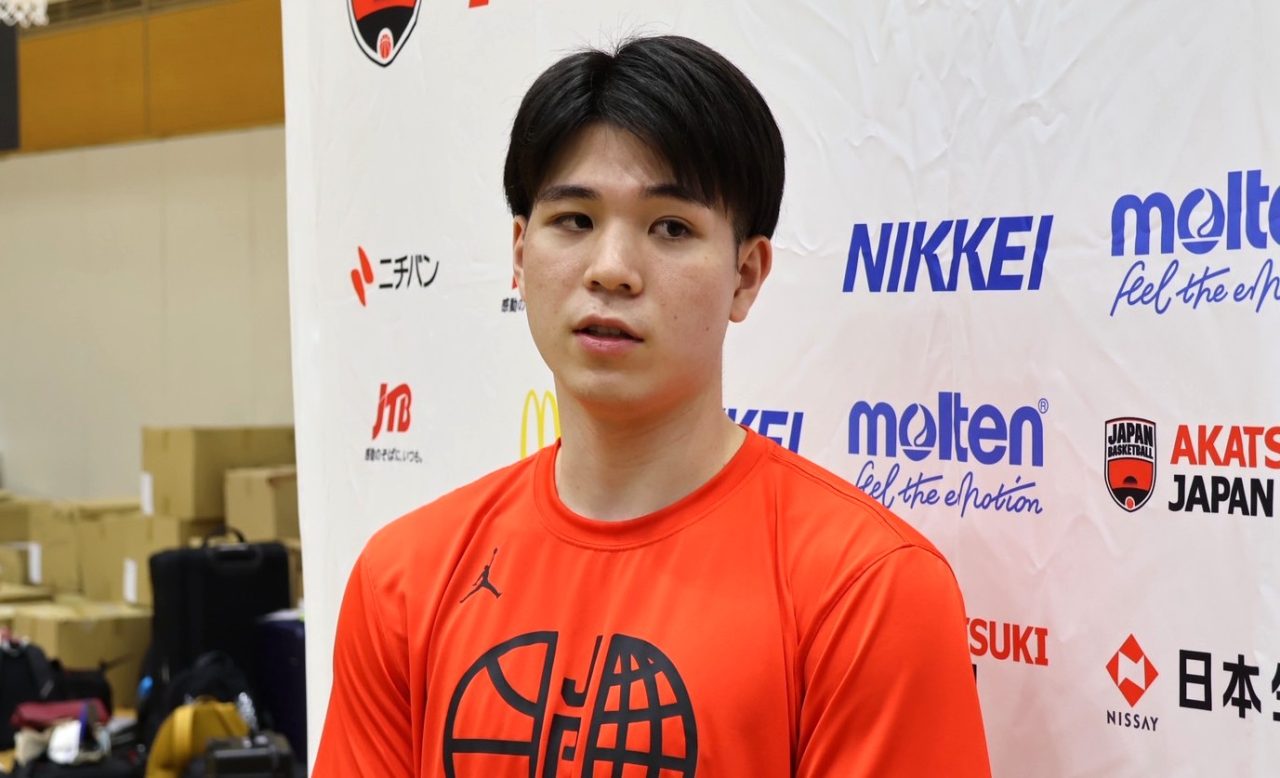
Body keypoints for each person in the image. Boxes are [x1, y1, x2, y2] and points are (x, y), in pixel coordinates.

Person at [314, 35, 991, 777]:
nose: (611, 270)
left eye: (671, 228)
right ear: (519, 253)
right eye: (575, 220)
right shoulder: (404, 579)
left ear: (745, 275)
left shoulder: (868, 590)